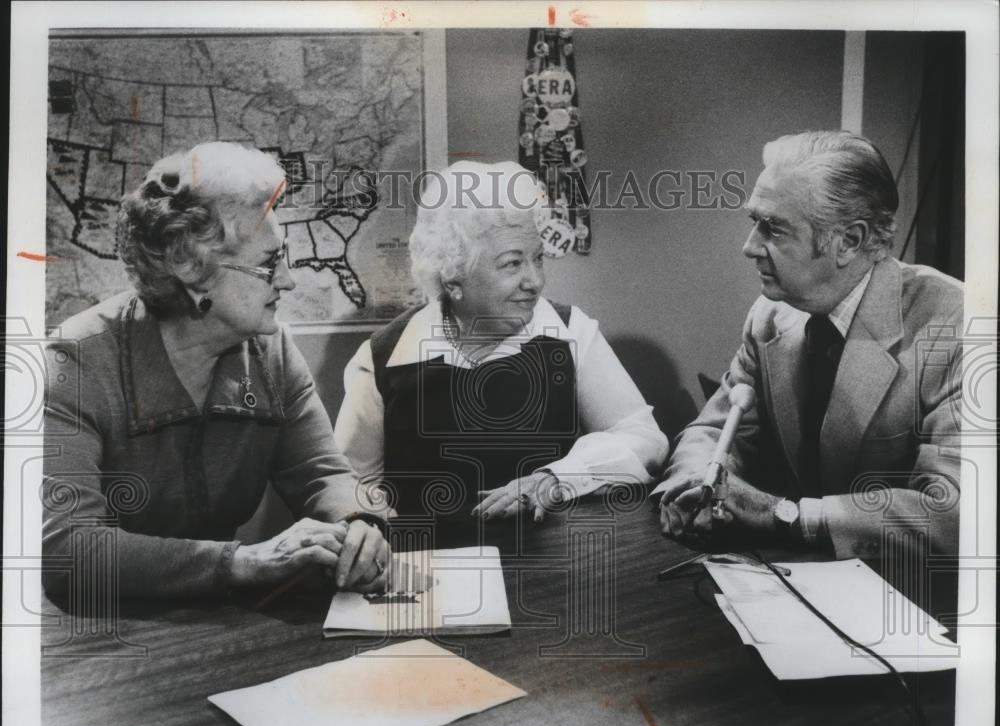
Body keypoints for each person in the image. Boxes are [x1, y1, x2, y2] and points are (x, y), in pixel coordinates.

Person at [42, 142, 390, 597]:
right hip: (102, 630)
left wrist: (358, 521)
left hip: (219, 613)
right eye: (269, 263)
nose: (287, 279)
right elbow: (72, 549)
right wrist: (241, 562)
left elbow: (320, 472)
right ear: (190, 266)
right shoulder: (78, 361)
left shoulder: (271, 349)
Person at [657, 131, 963, 559]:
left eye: (773, 229)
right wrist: (693, 483)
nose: (749, 247)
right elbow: (713, 431)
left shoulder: (960, 326)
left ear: (849, 241)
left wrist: (786, 515)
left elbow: (954, 514)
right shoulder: (770, 316)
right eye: (754, 223)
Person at [334, 161, 668, 542]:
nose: (535, 281)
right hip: (430, 573)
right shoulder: (382, 357)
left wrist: (554, 480)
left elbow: (644, 439)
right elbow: (349, 482)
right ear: (454, 277)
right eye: (512, 264)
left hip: (551, 564)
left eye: (538, 258)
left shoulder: (570, 332)